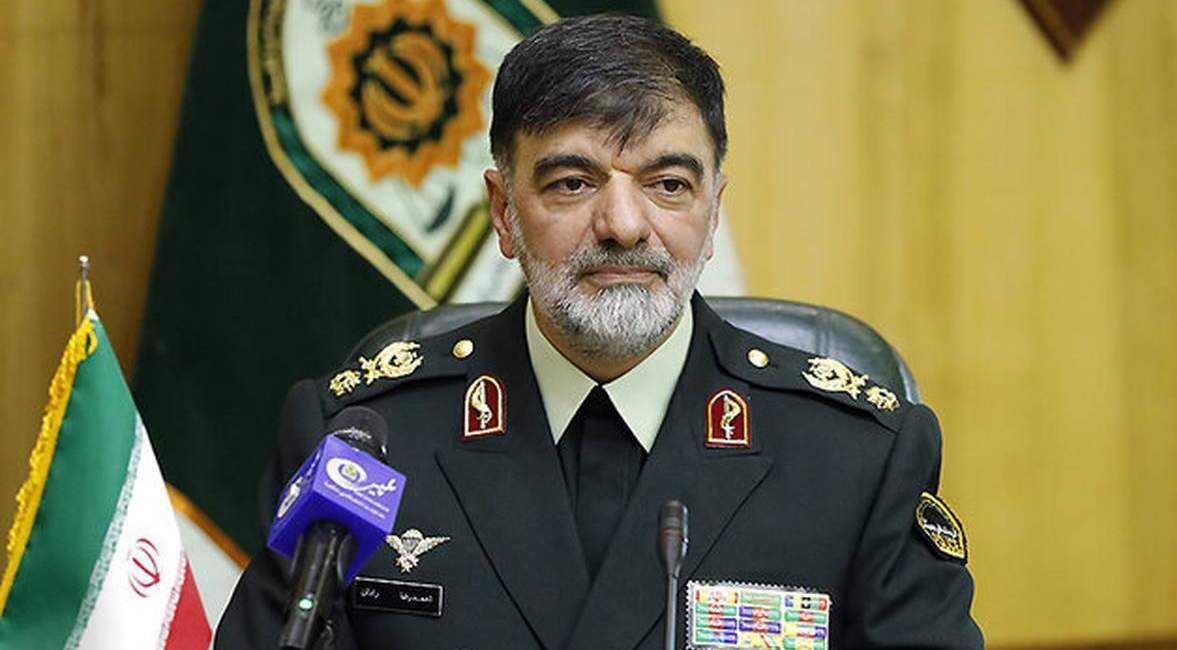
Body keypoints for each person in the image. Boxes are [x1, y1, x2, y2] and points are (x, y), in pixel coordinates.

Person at [216, 13, 984, 650]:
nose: (622, 225)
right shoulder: (364, 443)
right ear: (503, 213)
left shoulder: (856, 460)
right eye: (572, 183)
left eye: (668, 184)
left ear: (713, 212)